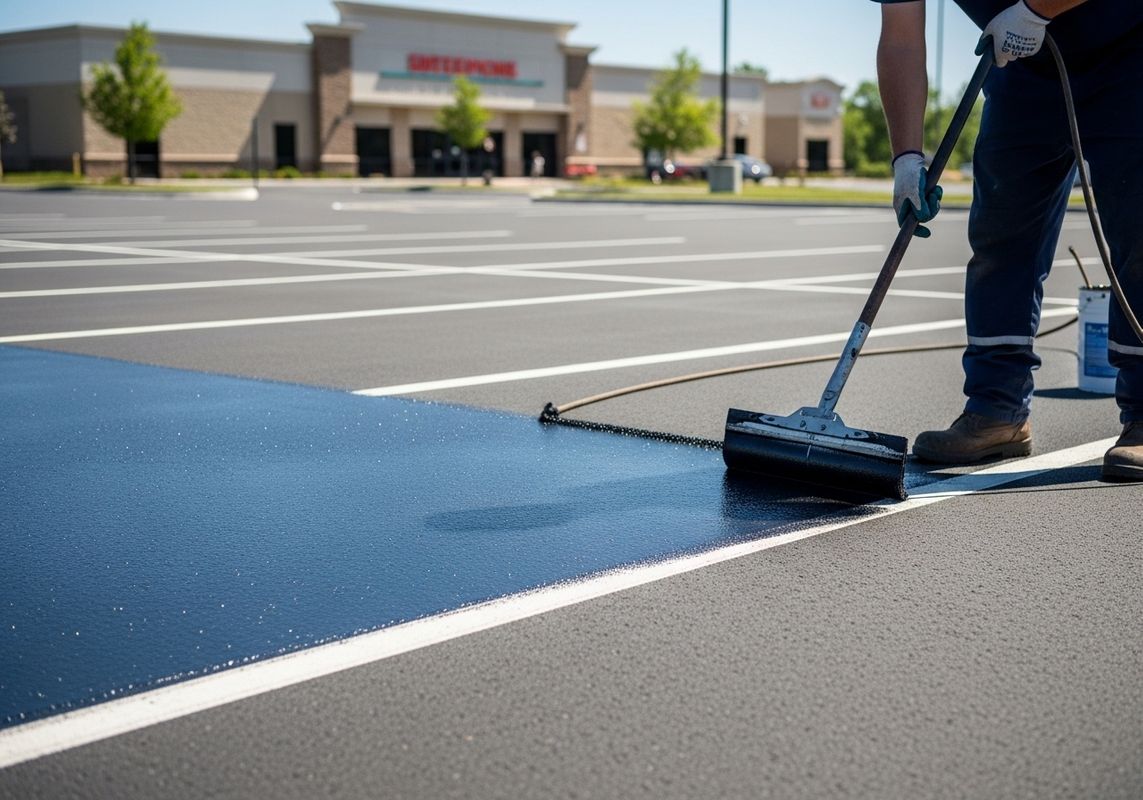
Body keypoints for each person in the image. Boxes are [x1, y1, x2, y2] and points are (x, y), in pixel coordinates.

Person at [873, 0, 1143, 480]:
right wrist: (906, 159)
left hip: (1129, 52)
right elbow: (900, 39)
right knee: (1001, 235)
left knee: (1139, 229)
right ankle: (997, 410)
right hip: (1024, 64)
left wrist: (1037, 9)